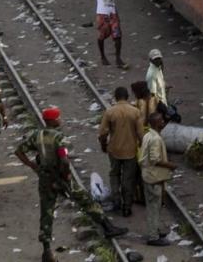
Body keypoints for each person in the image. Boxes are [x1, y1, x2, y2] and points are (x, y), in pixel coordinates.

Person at [16, 107, 126, 261]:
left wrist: (32, 165)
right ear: (53, 120)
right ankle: (107, 227)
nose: (60, 119)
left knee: (46, 212)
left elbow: (19, 151)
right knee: (85, 200)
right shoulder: (59, 138)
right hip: (61, 177)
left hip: (45, 179)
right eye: (58, 117)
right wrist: (66, 175)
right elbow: (64, 160)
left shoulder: (36, 135)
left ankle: (47, 250)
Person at [99, 86, 143, 217]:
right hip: (130, 150)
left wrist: (103, 144)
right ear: (127, 97)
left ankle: (116, 200)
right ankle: (127, 207)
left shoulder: (110, 112)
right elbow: (141, 134)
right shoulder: (135, 112)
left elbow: (102, 133)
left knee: (114, 174)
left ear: (115, 97)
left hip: (114, 149)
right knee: (128, 178)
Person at [139, 111, 176, 246]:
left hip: (149, 175)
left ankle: (154, 230)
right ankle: (153, 237)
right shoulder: (155, 139)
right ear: (156, 123)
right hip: (153, 177)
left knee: (154, 206)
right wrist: (170, 165)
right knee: (154, 207)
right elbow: (155, 159)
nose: (163, 122)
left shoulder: (148, 135)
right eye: (161, 120)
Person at [89, 0, 126, 68]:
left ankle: (118, 58)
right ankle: (103, 57)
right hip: (102, 14)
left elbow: (112, 2)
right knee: (102, 36)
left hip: (112, 14)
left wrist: (117, 15)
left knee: (117, 36)